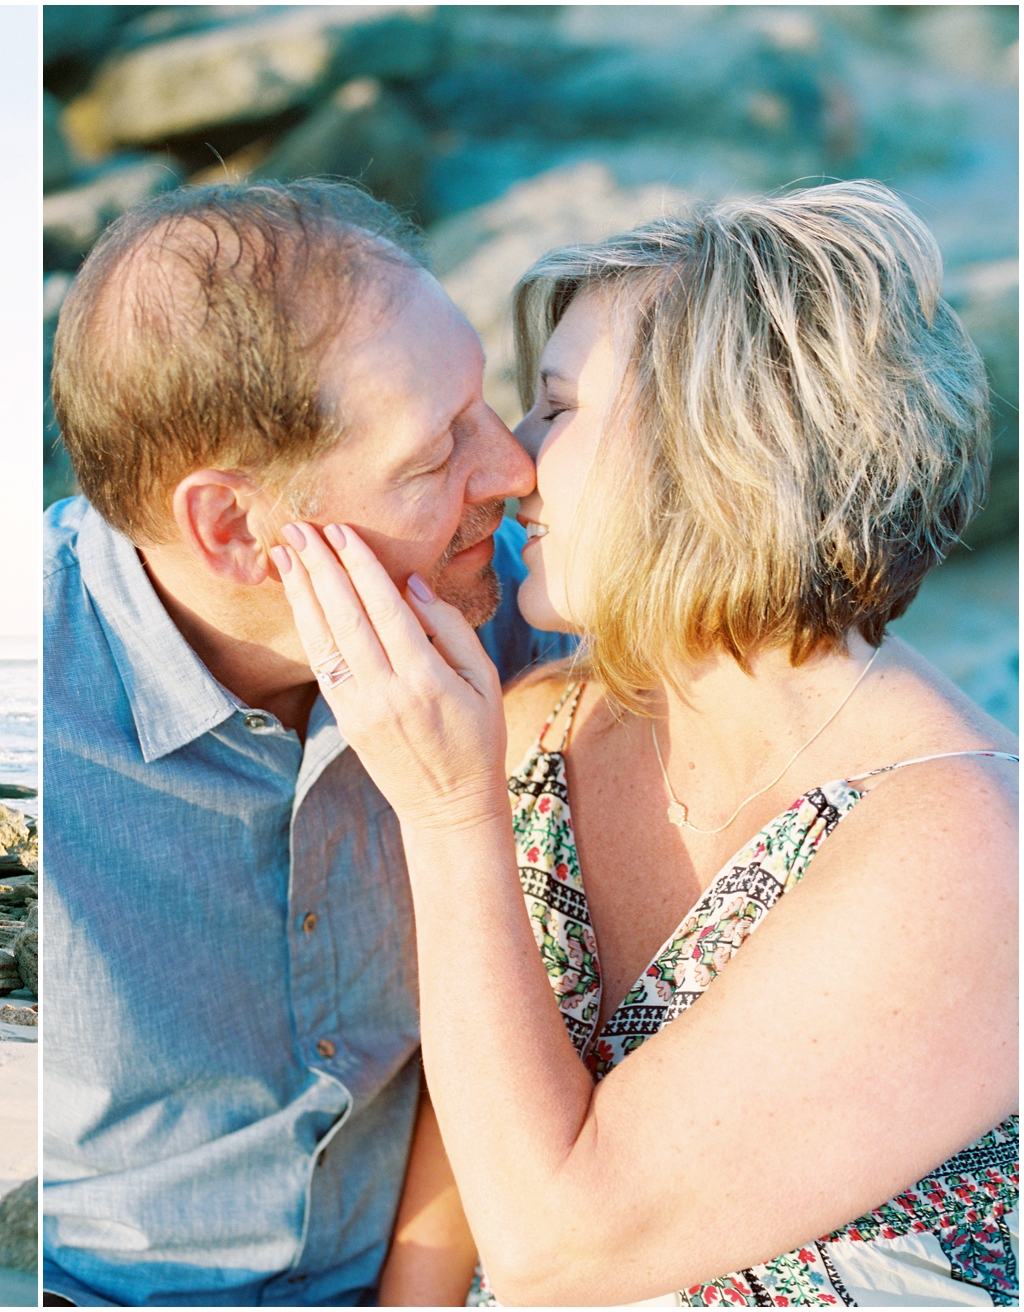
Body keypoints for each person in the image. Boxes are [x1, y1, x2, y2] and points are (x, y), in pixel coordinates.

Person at [273, 181, 1018, 1305]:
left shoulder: (960, 844)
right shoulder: (547, 727)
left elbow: (557, 1245)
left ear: (723, 452)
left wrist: (442, 811)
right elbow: (472, 1143)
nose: (515, 463)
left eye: (559, 408)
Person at [41, 179, 570, 1306]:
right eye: (436, 456)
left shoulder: (514, 613)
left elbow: (547, 1010)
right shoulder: (31, 721)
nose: (513, 472)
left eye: (489, 405)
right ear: (234, 528)